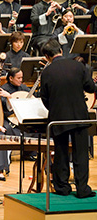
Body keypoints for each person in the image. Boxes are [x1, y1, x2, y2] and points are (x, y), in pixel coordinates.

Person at [40, 39, 96, 198]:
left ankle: (62, 187)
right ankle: (82, 188)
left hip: (58, 117)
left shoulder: (47, 72)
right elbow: (90, 88)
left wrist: (55, 108)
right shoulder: (78, 66)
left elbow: (44, 97)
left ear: (47, 56)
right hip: (79, 115)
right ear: (61, 50)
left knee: (61, 152)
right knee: (81, 153)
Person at [0, 67, 37, 161]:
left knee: (34, 128)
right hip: (9, 117)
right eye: (18, 78)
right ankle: (7, 157)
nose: (21, 80)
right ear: (11, 78)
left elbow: (32, 99)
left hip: (22, 117)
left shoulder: (23, 88)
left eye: (22, 78)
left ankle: (29, 154)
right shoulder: (3, 89)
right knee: (7, 129)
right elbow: (5, 106)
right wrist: (9, 97)